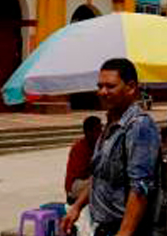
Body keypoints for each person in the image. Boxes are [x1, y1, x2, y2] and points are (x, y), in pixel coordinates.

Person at [62, 58, 161, 236]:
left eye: (110, 86)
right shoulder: (109, 126)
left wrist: (123, 233)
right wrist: (77, 207)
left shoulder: (138, 127)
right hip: (103, 227)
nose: (102, 92)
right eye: (100, 86)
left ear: (130, 87)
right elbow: (100, 176)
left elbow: (140, 189)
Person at [65, 115, 102, 203]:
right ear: (89, 132)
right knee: (100, 183)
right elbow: (83, 173)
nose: (101, 133)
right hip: (76, 184)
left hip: (87, 181)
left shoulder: (98, 145)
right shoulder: (79, 148)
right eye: (98, 130)